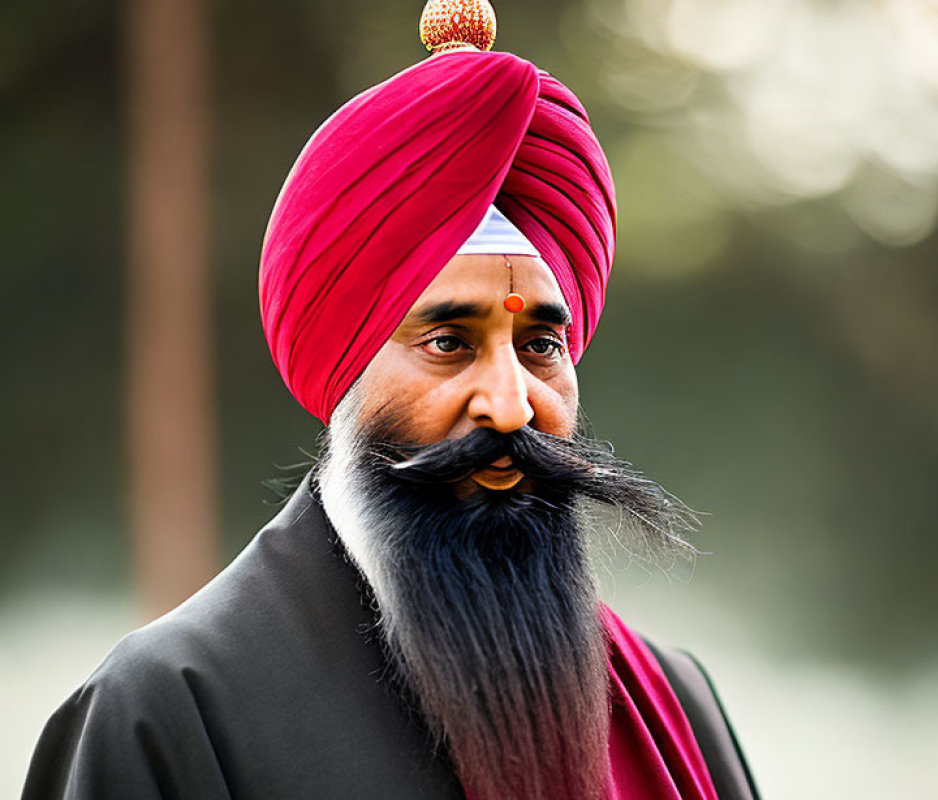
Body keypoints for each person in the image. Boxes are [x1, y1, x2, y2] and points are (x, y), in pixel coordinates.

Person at [23, 2, 759, 798]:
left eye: (541, 346)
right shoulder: (173, 708)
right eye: (448, 343)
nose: (510, 408)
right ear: (343, 367)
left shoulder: (674, 704)